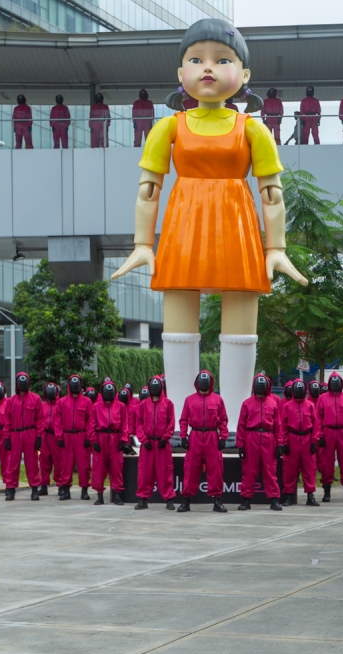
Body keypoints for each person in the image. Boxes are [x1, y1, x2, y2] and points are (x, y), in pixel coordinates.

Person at [111, 18, 306, 427]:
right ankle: (183, 422)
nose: (208, 68)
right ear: (181, 73)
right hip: (183, 228)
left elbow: (272, 193)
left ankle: (237, 423)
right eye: (196, 59)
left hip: (237, 227)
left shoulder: (253, 129)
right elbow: (149, 189)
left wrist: (276, 248)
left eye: (222, 59)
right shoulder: (168, 127)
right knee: (178, 319)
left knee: (241, 321)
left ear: (244, 75)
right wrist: (143, 244)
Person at [178, 370, 229, 513]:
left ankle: (217, 500)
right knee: (190, 468)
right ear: (197, 383)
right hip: (195, 435)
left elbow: (223, 420)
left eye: (206, 381)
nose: (203, 384)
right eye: (201, 381)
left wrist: (223, 437)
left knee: (216, 468)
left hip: (212, 435)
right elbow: (183, 420)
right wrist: (183, 436)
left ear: (210, 383)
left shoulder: (218, 400)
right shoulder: (189, 400)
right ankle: (186, 500)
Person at [237, 374, 283, 511]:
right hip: (252, 437)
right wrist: (241, 445)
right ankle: (246, 500)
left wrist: (280, 444)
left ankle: (274, 499)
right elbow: (241, 425)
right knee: (249, 470)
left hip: (268, 437)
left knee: (270, 470)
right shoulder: (247, 403)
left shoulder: (273, 403)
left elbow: (278, 425)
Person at [134, 376, 176, 510]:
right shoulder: (143, 405)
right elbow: (139, 424)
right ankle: (143, 499)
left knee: (165, 472)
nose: (154, 389)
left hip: (162, 444)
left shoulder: (168, 404)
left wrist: (165, 438)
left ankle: (169, 499)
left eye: (156, 386)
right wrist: (143, 440)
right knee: (145, 472)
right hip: (148, 445)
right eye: (152, 386)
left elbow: (171, 423)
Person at [315, 372, 343, 503]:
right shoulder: (322, 398)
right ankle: (326, 492)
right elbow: (318, 418)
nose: (335, 384)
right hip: (328, 432)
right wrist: (319, 436)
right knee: (327, 463)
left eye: (337, 382)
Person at [88, 380, 131, 506]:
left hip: (115, 437)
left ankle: (117, 495)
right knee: (99, 467)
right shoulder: (96, 407)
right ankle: (99, 495)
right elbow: (92, 425)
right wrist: (94, 441)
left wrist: (123, 440)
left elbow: (125, 425)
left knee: (116, 467)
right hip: (101, 438)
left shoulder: (121, 406)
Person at [3, 371, 43, 501]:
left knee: (32, 463)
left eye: (25, 382)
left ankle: (34, 489)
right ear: (17, 385)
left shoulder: (36, 399)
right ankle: (10, 489)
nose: (23, 385)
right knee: (12, 463)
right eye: (20, 383)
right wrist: (7, 437)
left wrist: (39, 437)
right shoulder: (10, 401)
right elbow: (7, 421)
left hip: (30, 433)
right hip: (15, 433)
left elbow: (40, 420)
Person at [280, 379, 320, 506]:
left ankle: (310, 495)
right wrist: (284, 443)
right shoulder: (287, 406)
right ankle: (288, 496)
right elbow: (283, 426)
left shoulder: (310, 405)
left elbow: (315, 425)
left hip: (307, 438)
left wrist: (314, 441)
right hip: (293, 438)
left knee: (309, 468)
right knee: (289, 469)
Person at [53, 374, 92, 501]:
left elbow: (90, 420)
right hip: (67, 435)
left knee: (84, 464)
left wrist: (88, 437)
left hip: (81, 435)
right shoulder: (61, 402)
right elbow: (57, 421)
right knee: (65, 463)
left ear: (81, 386)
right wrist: (59, 437)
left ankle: (84, 490)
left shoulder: (87, 402)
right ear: (69, 386)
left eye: (77, 385)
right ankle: (65, 489)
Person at [37, 382, 61, 495]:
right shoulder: (42, 405)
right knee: (44, 461)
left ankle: (61, 485)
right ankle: (43, 485)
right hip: (45, 435)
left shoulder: (60, 405)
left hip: (56, 436)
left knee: (59, 461)